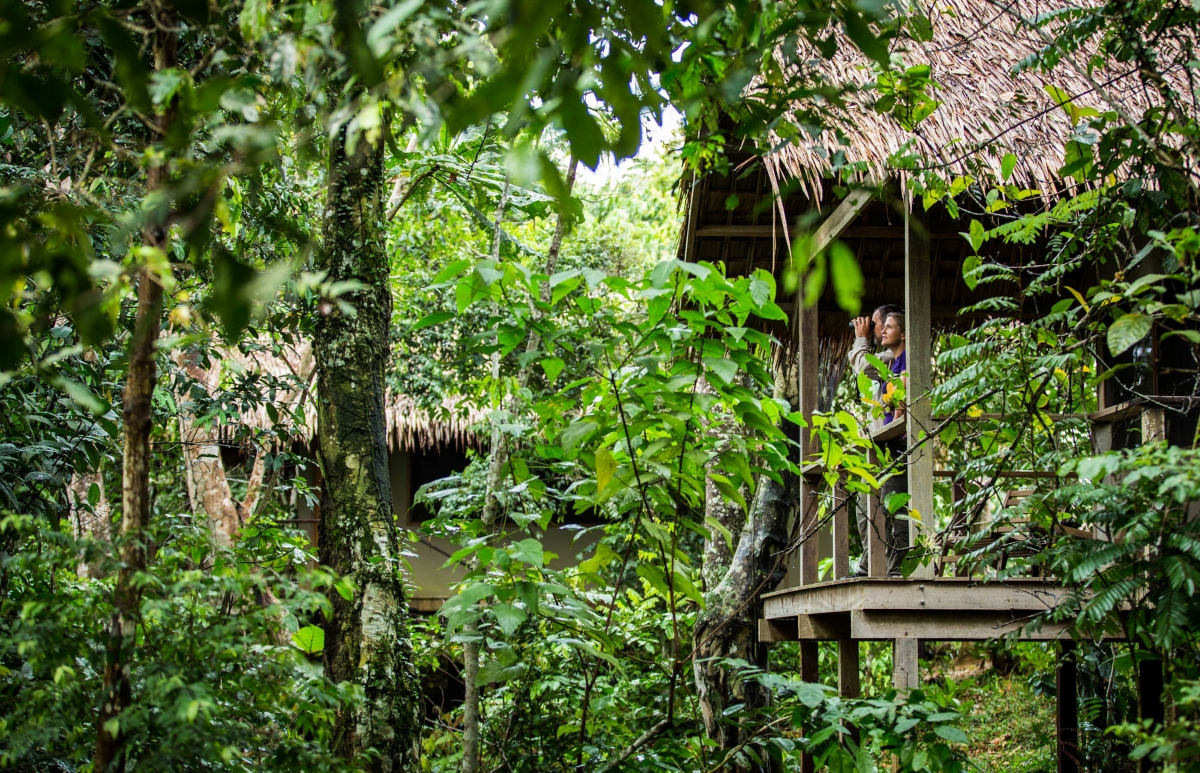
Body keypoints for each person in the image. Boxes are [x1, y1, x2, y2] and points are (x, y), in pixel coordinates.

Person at [844, 304, 900, 577]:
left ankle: (883, 568)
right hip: (876, 445)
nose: (877, 330)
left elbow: (864, 368)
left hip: (892, 444)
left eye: (878, 325)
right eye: (882, 325)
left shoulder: (893, 355)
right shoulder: (887, 354)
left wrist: (861, 339)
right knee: (865, 507)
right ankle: (870, 565)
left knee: (888, 508)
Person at [877, 310, 909, 577]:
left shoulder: (907, 360)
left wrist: (894, 421)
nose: (884, 331)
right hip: (891, 444)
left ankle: (900, 571)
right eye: (883, 326)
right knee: (889, 506)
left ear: (904, 333)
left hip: (900, 443)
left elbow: (902, 402)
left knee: (896, 505)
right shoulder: (892, 364)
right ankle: (894, 568)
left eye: (889, 327)